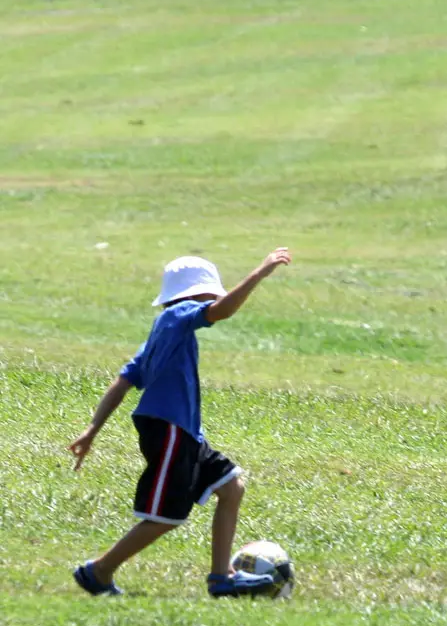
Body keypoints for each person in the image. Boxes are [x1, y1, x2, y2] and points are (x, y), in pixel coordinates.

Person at [69, 249, 291, 597]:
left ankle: (222, 578)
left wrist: (92, 429)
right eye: (210, 292)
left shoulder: (164, 330)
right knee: (165, 517)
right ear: (196, 293)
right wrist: (260, 272)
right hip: (169, 429)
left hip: (183, 432)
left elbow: (124, 380)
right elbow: (222, 311)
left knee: (232, 487)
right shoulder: (181, 314)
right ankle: (98, 572)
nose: (212, 299)